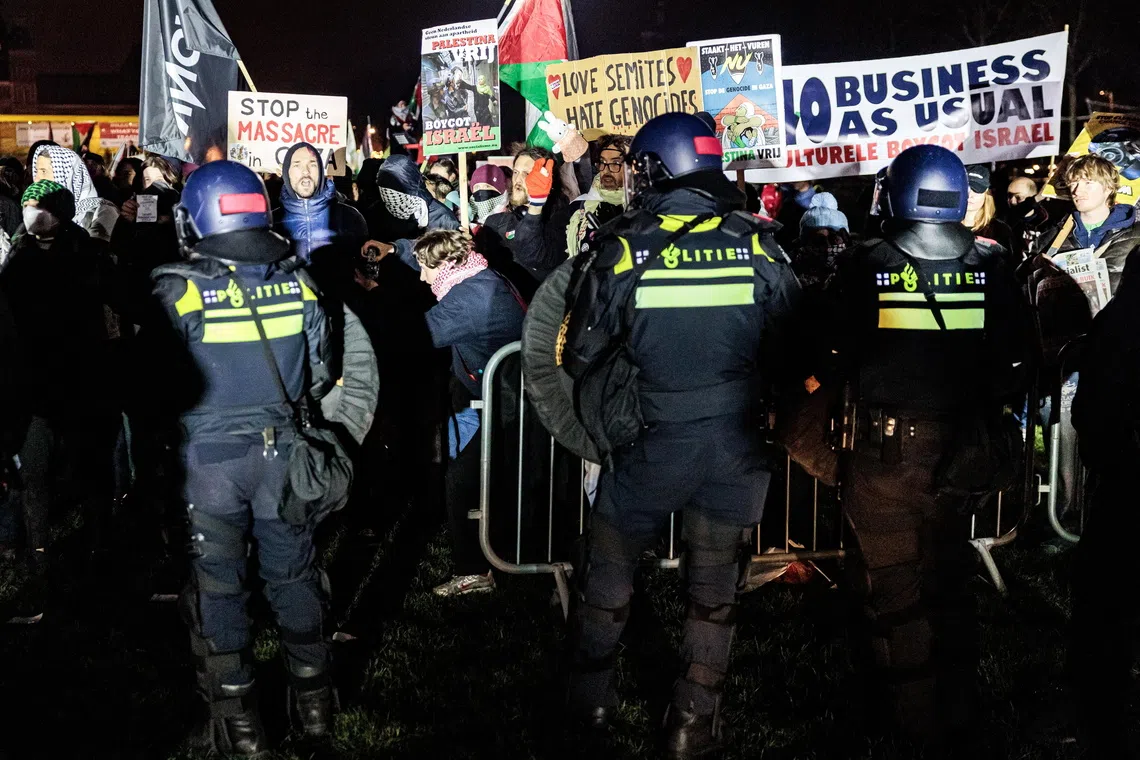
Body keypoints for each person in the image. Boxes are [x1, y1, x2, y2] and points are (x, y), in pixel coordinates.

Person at [560, 112, 800, 757]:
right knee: (714, 589)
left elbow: (580, 353)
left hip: (648, 443)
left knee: (608, 576)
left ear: (658, 168)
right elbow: (791, 346)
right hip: (735, 446)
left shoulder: (623, 247)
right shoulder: (760, 244)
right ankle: (692, 725)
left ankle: (589, 708)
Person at [821, 145, 1031, 751]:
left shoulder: (868, 263)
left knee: (894, 580)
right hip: (962, 449)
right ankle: (961, 708)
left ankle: (914, 720)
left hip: (886, 450)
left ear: (901, 191)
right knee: (948, 571)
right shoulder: (993, 263)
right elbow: (1017, 359)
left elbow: (838, 351)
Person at [152, 161, 336, 755]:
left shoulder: (177, 290)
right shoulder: (298, 279)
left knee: (220, 591)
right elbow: (324, 369)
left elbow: (152, 385)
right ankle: (314, 712)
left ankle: (242, 731)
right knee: (294, 578)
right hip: (283, 458)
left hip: (209, 466)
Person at [365, 229, 526, 596]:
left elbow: (412, 338)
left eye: (425, 269)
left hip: (510, 407)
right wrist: (396, 248)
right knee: (454, 457)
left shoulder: (469, 300)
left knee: (460, 481)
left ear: (447, 264)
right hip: (493, 395)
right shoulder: (476, 273)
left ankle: (475, 570)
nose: (423, 277)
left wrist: (375, 296)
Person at [0, 180, 121, 622]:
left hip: (83, 384)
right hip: (35, 389)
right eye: (28, 204)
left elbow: (116, 296)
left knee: (91, 469)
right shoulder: (19, 255)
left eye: (44, 205)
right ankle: (39, 555)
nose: (34, 213)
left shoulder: (86, 251)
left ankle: (100, 546)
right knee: (35, 475)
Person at [1069, 252, 1140, 759]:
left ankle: (1102, 722)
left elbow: (1092, 410)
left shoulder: (1117, 323)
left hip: (1126, 486)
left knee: (1107, 605)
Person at [478, 147, 571, 284]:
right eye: (515, 172)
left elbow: (533, 255)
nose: (518, 180)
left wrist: (536, 204)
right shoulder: (495, 223)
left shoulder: (564, 220)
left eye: (527, 173)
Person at [273, 142, 368, 265]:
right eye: (297, 165)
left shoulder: (350, 217)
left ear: (321, 172)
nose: (305, 171)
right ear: (287, 173)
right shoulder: (271, 222)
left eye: (312, 165)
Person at [565, 135, 630, 257]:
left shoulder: (646, 207)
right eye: (602, 162)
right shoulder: (579, 207)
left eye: (615, 163)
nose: (606, 170)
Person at [963, 165, 1016, 261]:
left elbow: (1009, 265)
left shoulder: (1000, 229)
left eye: (977, 190)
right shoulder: (944, 226)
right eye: (967, 189)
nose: (970, 195)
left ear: (986, 194)